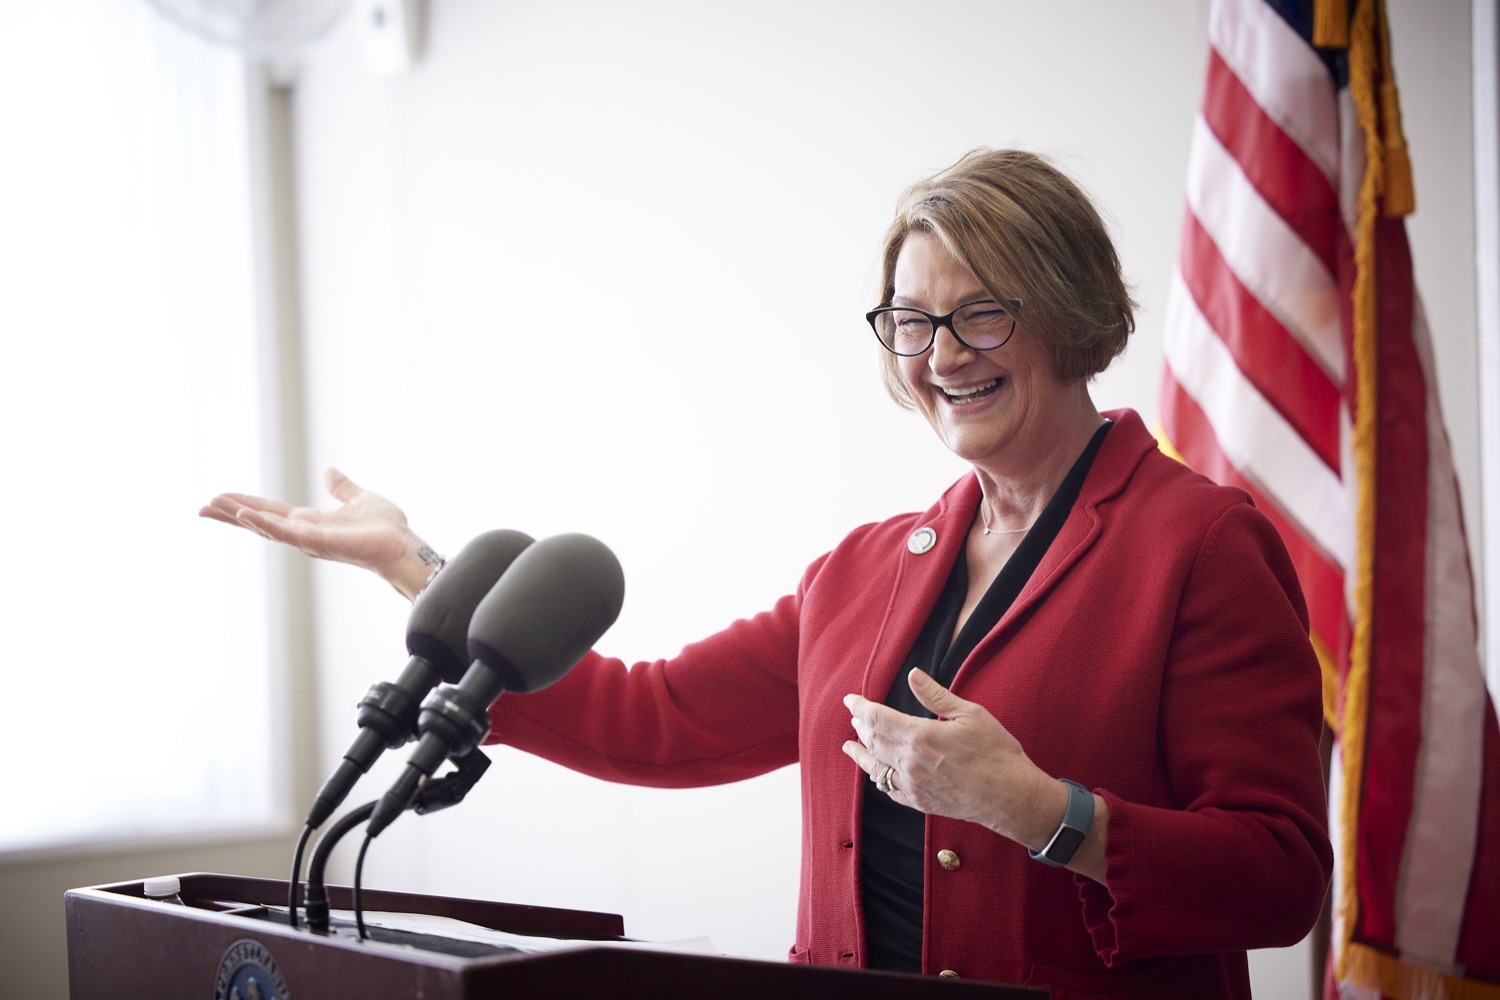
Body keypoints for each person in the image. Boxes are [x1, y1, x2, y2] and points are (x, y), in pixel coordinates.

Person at [203, 148, 1331, 997]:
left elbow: (1280, 879)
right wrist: (413, 566)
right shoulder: (862, 570)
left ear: (1072, 312)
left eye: (980, 314)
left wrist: (1036, 808)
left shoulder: (1199, 544)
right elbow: (651, 719)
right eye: (911, 321)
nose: (941, 356)